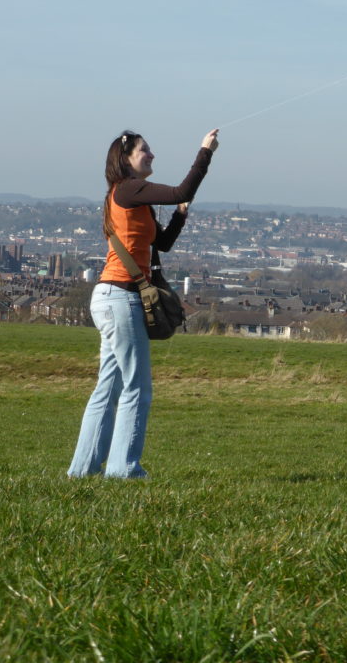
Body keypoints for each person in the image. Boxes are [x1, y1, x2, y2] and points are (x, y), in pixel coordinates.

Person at [67, 128, 219, 478]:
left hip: (110, 296)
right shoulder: (130, 188)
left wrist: (180, 214)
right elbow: (183, 188)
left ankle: (83, 469)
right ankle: (123, 469)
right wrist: (205, 152)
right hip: (121, 297)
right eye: (144, 150)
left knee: (109, 385)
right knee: (137, 386)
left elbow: (160, 244)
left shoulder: (127, 196)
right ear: (126, 159)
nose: (151, 155)